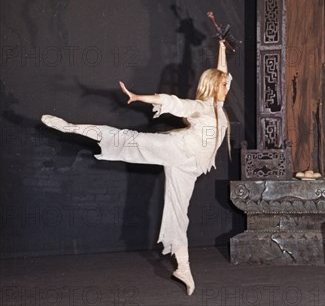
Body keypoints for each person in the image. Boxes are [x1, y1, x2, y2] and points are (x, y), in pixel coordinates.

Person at [41, 40, 231, 296]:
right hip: (176, 148)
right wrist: (138, 96)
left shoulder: (219, 107)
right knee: (129, 139)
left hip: (190, 167)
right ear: (212, 86)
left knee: (179, 214)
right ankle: (70, 127)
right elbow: (171, 101)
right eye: (223, 85)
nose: (227, 87)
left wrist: (221, 47)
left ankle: (183, 267)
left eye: (227, 84)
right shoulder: (199, 107)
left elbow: (223, 71)